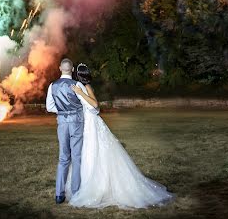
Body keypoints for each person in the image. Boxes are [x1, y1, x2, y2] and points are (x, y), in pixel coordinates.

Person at [68, 63, 174, 209]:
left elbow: (95, 104)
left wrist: (80, 93)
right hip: (85, 122)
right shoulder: (78, 85)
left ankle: (97, 185)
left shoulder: (86, 87)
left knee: (94, 151)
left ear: (79, 74)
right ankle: (85, 183)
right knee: (87, 152)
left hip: (92, 124)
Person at [46, 58, 96, 204]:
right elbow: (90, 105)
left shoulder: (52, 86)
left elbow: (49, 107)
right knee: (76, 157)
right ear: (72, 69)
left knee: (63, 158)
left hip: (62, 123)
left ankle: (59, 194)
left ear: (60, 68)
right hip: (76, 123)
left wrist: (62, 111)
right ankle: (75, 193)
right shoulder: (77, 84)